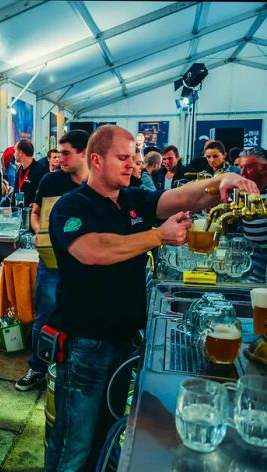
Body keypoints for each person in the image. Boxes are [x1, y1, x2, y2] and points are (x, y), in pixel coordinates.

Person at [44, 125, 258, 471]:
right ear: (96, 160)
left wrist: (221, 184)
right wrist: (158, 235)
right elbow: (92, 249)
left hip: (124, 338)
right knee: (73, 445)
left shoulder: (132, 198)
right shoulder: (72, 206)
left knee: (106, 433)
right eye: (123, 158)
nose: (133, 165)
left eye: (135, 158)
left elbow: (186, 197)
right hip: (86, 344)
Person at [15, 129, 89, 391]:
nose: (59, 158)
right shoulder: (50, 181)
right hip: (52, 260)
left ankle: (72, 369)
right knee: (45, 314)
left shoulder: (96, 184)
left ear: (85, 153)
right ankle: (37, 367)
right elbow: (35, 214)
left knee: (83, 316)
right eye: (59, 153)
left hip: (87, 264)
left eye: (66, 153)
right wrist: (39, 232)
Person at [239, 147, 267, 282]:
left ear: (264, 168)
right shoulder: (245, 193)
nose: (242, 173)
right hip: (253, 266)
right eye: (241, 167)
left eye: (248, 167)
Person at [13, 139, 47, 208]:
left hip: (32, 213)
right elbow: (16, 190)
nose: (14, 154)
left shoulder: (41, 170)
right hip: (18, 212)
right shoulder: (19, 169)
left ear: (20, 152)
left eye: (15, 151)